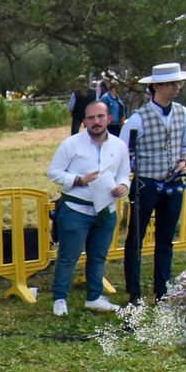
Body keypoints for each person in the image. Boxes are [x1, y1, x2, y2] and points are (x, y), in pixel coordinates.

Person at [122, 62, 186, 302]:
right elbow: (123, 151)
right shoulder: (138, 118)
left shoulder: (183, 112)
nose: (177, 87)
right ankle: (134, 291)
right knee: (136, 237)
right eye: (172, 83)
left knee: (166, 238)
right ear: (157, 86)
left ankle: (162, 289)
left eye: (178, 82)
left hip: (172, 182)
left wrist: (185, 160)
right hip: (146, 183)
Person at [47, 101, 131, 315]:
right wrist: (78, 180)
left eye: (100, 117)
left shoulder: (119, 145)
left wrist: (123, 185)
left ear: (109, 118)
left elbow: (123, 173)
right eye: (91, 118)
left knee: (98, 255)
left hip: (106, 209)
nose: (96, 122)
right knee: (68, 256)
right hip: (76, 208)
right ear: (84, 121)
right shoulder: (71, 144)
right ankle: (60, 299)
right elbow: (54, 172)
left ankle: (94, 297)